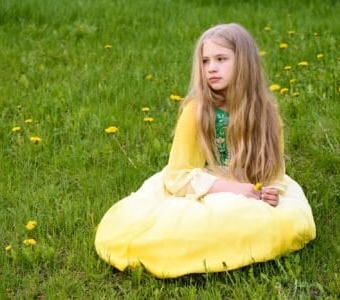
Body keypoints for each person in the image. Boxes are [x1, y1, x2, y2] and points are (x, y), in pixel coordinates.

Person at [95, 23, 316, 278]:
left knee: (286, 221)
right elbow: (178, 176)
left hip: (250, 189)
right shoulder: (197, 111)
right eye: (205, 60)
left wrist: (270, 191)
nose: (211, 67)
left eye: (221, 59)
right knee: (190, 229)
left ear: (244, 63)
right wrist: (237, 189)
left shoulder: (267, 113)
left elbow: (273, 170)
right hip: (201, 189)